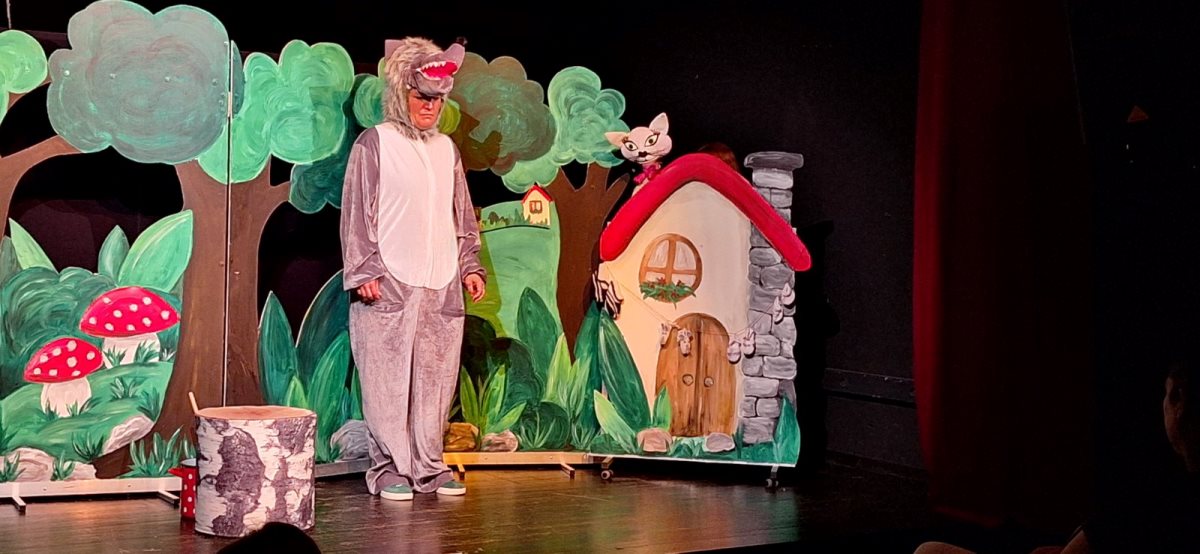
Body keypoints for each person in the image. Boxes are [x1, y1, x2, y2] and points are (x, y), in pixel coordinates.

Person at [340, 36, 486, 501]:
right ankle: (388, 468)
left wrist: (470, 266)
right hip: (390, 284)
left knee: (435, 382)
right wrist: (364, 270)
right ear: (401, 92)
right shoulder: (375, 143)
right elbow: (357, 210)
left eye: (437, 100)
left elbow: (461, 215)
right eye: (422, 96)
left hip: (440, 283)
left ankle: (429, 466)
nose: (430, 107)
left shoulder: (446, 149)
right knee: (385, 381)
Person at [914, 356, 1200, 553]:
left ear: (1178, 398)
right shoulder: (1168, 493)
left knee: (929, 551)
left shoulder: (1149, 501)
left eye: (1166, 394)